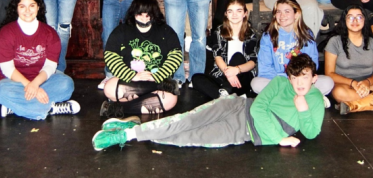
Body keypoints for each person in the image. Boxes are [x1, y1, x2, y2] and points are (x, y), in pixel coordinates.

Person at [91, 54, 325, 151]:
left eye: (304, 77)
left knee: (186, 139)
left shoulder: (313, 99)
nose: (298, 83)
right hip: (238, 107)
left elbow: (312, 132)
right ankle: (125, 136)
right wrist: (279, 137)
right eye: (294, 77)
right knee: (184, 121)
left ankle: (133, 129)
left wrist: (303, 110)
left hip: (243, 132)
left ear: (314, 78)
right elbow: (259, 107)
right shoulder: (279, 83)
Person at [0, 0, 80, 119]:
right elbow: (8, 69)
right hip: (14, 83)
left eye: (32, 5)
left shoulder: (50, 33)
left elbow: (50, 66)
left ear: (38, 7)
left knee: (67, 84)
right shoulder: (5, 34)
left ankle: (17, 107)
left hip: (43, 81)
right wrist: (29, 85)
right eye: (22, 6)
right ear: (16, 9)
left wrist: (35, 85)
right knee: (0, 91)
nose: (27, 10)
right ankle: (50, 108)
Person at [100, 0, 182, 117]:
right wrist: (132, 75)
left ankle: (116, 108)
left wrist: (158, 76)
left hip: (157, 78)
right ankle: (149, 96)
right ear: (133, 13)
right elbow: (111, 56)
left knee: (170, 100)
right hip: (131, 82)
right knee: (109, 88)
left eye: (148, 15)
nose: (144, 19)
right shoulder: (121, 31)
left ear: (154, 15)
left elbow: (176, 56)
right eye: (140, 15)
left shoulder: (166, 31)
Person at [251, 0, 334, 106]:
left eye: (287, 11)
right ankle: (307, 99)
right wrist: (286, 81)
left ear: (296, 14)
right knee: (256, 83)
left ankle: (282, 101)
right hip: (277, 81)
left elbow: (312, 65)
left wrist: (296, 80)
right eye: (278, 12)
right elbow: (265, 68)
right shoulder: (268, 36)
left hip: (300, 81)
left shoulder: (306, 34)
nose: (282, 15)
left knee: (328, 82)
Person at [324, 5, 373, 115]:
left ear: (364, 20)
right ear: (344, 20)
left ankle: (355, 105)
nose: (355, 21)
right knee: (339, 93)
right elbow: (329, 73)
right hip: (345, 85)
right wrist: (352, 83)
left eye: (359, 17)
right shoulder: (335, 42)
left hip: (368, 84)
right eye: (350, 17)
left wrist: (367, 83)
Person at [192, 0, 258, 99]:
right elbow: (217, 57)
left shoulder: (251, 34)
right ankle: (223, 96)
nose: (234, 15)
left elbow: (252, 62)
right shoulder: (219, 31)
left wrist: (237, 70)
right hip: (222, 74)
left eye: (239, 11)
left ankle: (224, 92)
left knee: (238, 56)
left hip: (242, 76)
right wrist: (228, 73)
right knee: (196, 78)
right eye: (230, 11)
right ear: (226, 14)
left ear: (245, 13)